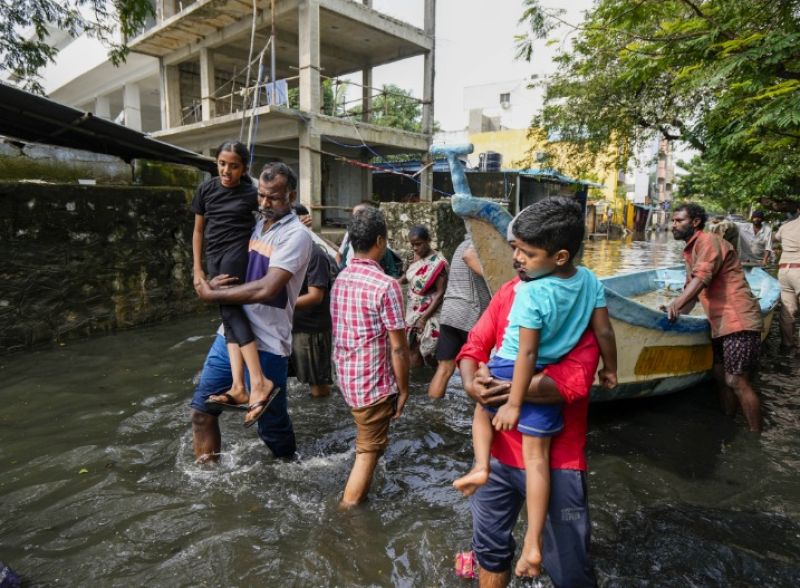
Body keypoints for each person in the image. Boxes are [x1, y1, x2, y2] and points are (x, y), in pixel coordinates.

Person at [454, 199, 617, 579]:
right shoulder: (511, 292)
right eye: (515, 249)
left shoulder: (568, 297)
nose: (516, 259)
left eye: (525, 252)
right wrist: (470, 383)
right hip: (498, 455)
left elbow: (573, 382)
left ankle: (536, 550)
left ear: (558, 256)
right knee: (491, 555)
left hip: (558, 460)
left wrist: (504, 390)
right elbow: (472, 347)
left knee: (570, 571)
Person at [190, 162, 313, 461]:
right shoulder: (257, 223)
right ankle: (208, 485)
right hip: (231, 335)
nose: (265, 204)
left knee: (271, 428)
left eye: (273, 197)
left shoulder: (296, 235)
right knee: (202, 412)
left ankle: (290, 469)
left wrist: (212, 294)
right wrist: (212, 278)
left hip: (268, 342)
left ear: (291, 195)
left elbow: (267, 288)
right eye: (261, 196)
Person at [330, 206, 410, 508]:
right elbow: (399, 348)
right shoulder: (386, 286)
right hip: (372, 386)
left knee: (367, 441)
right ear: (381, 241)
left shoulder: (340, 279)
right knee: (368, 452)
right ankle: (346, 513)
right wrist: (403, 390)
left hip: (347, 380)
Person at [191, 141, 274, 422]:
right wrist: (197, 270)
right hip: (213, 258)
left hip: (236, 255)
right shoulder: (206, 189)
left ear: (244, 168)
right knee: (227, 318)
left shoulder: (251, 193)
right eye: (222, 164)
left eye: (234, 166)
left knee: (231, 309)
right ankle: (239, 386)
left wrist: (301, 216)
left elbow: (273, 205)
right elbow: (198, 230)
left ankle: (258, 381)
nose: (226, 170)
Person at [665, 202, 763, 432]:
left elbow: (701, 279)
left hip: (738, 320)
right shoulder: (691, 249)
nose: (674, 225)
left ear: (695, 222)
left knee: (736, 380)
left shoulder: (708, 241)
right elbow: (691, 291)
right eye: (673, 221)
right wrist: (673, 312)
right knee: (720, 376)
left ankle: (756, 436)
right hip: (719, 324)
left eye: (679, 220)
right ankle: (728, 423)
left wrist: (676, 304)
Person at [428, 234, 491, 398]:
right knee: (480, 368)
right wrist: (494, 280)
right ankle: (479, 414)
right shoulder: (478, 243)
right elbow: (469, 257)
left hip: (450, 312)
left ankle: (434, 410)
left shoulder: (462, 244)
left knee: (444, 369)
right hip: (471, 312)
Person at [290, 202, 334, 398]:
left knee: (318, 385)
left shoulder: (314, 254)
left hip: (311, 329)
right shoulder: (288, 251)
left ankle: (322, 424)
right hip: (292, 325)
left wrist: (280, 305)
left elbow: (316, 296)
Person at [397, 225, 448, 366]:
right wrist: (393, 283)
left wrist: (424, 319)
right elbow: (407, 276)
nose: (415, 248)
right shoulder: (412, 257)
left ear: (428, 241)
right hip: (413, 310)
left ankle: (434, 380)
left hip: (430, 312)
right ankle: (418, 381)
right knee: (412, 347)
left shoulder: (439, 264)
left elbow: (440, 293)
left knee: (430, 352)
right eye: (412, 244)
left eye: (418, 244)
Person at [336, 202, 402, 277]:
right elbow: (339, 256)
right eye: (354, 217)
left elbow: (393, 272)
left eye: (359, 215)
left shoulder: (384, 250)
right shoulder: (348, 243)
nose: (356, 221)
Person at [773, 202, 800, 352]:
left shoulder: (785, 226)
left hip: (784, 270)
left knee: (787, 312)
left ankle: (787, 345)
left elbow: (776, 238)